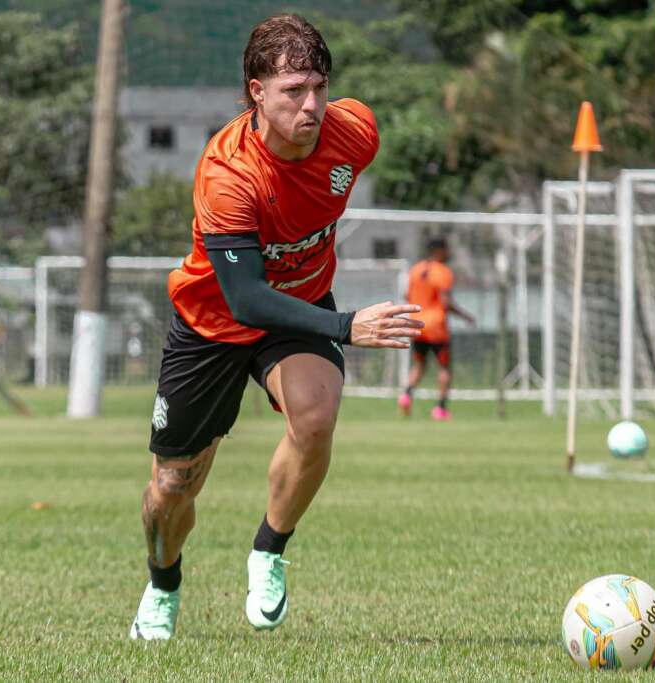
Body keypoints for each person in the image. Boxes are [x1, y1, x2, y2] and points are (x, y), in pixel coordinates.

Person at [129, 14, 423, 640]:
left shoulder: (356, 132)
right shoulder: (228, 174)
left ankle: (268, 551)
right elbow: (245, 299)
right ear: (256, 92)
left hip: (299, 308)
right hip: (215, 321)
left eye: (318, 86)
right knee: (171, 488)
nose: (311, 104)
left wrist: (328, 323)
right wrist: (347, 326)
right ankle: (163, 583)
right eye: (293, 91)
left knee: (316, 418)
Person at [397, 237, 474, 421]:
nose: (449, 253)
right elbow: (445, 302)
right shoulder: (443, 272)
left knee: (419, 364)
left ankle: (406, 394)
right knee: (445, 368)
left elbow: (406, 295)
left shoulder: (416, 270)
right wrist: (465, 316)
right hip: (436, 327)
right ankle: (440, 409)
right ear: (439, 251)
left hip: (417, 324)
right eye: (447, 249)